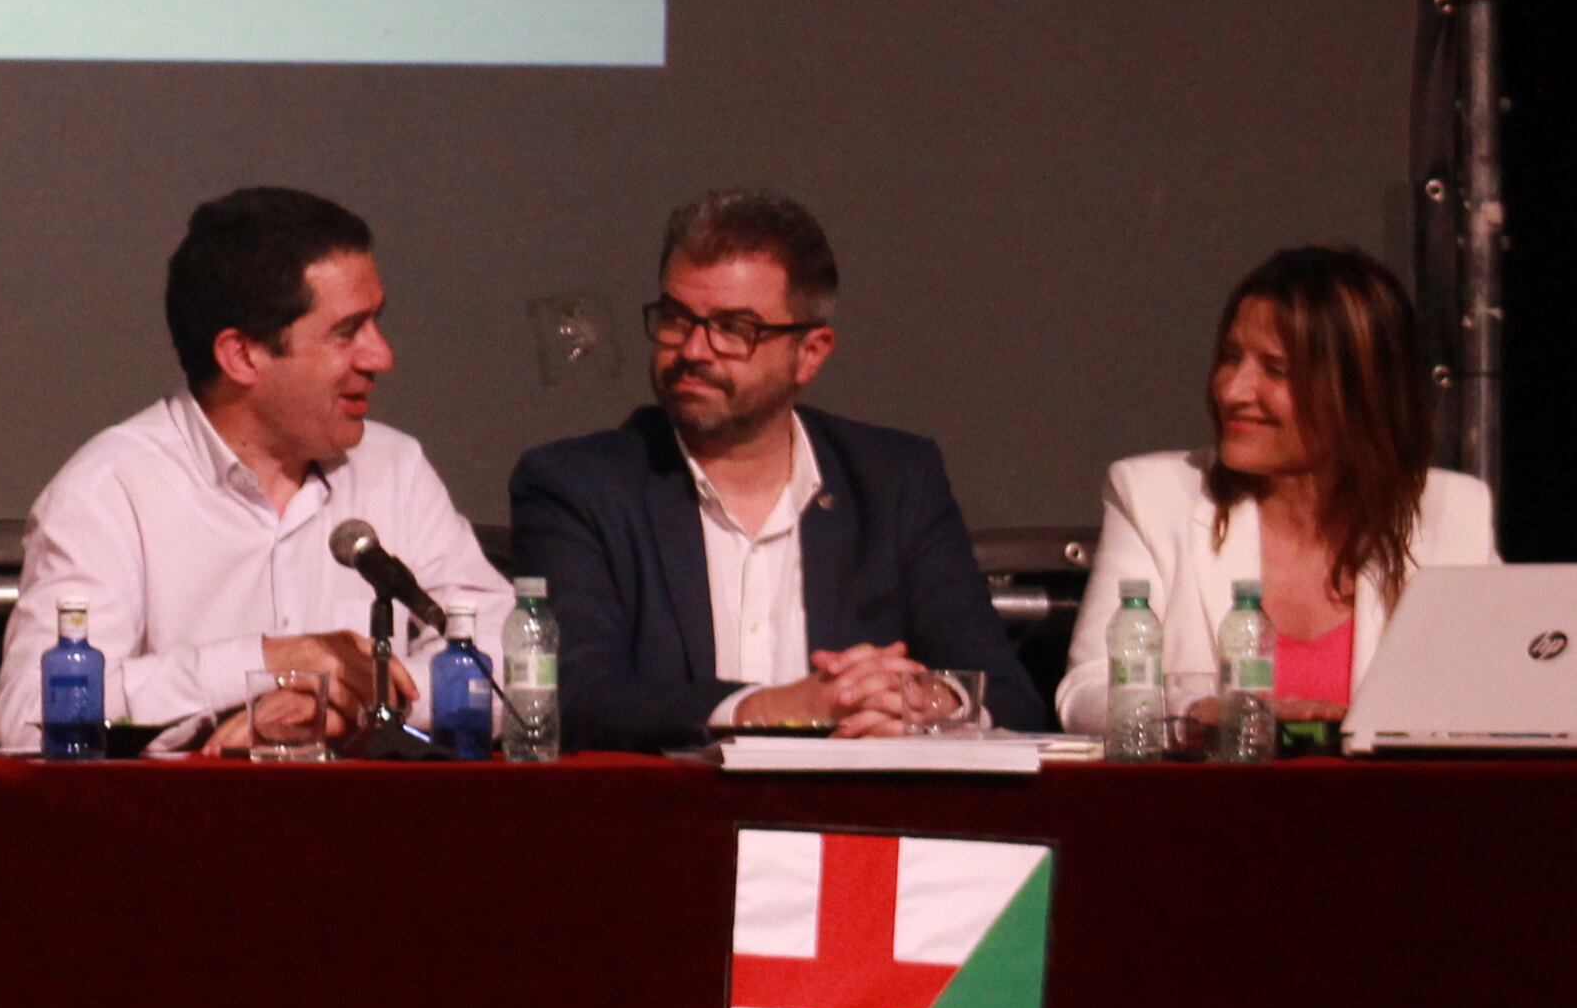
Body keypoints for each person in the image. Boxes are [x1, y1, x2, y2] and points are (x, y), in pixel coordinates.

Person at [510, 191, 1050, 750]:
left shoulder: (895, 481)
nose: (693, 349)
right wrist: (777, 708)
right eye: (676, 319)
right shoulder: (578, 486)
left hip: (857, 822)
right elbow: (570, 697)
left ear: (811, 352)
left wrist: (922, 702)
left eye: (733, 328)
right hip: (671, 821)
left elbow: (1007, 693)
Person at [1, 187, 507, 752]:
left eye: (376, 324)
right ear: (241, 356)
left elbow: (507, 645)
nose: (381, 356)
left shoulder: (394, 468)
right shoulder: (108, 490)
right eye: (347, 332)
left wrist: (356, 704)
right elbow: (29, 716)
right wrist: (264, 663)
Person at [1054, 244, 1499, 740]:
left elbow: (1511, 695)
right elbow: (1088, 692)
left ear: (1359, 392)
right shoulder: (1154, 497)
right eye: (1230, 359)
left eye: (1275, 370)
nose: (1233, 391)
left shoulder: (1454, 514)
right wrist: (1195, 715)